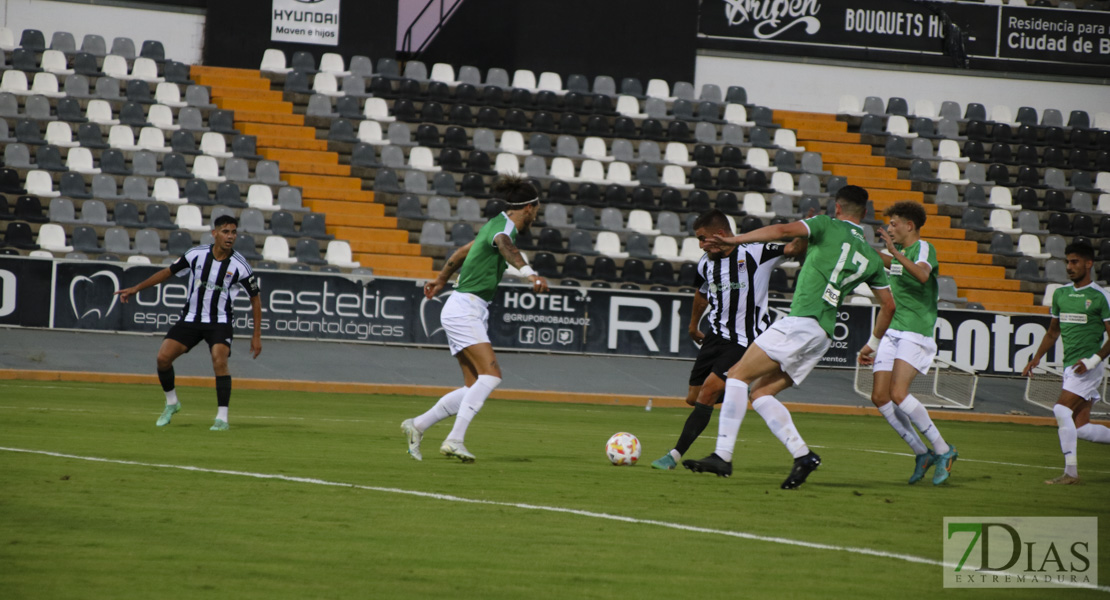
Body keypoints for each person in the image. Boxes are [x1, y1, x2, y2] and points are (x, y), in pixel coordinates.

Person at [683, 185, 895, 489]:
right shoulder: (870, 256)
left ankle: (722, 455)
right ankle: (802, 455)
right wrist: (871, 345)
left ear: (837, 208)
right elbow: (889, 305)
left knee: (737, 376)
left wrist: (735, 239)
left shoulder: (825, 225)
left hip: (800, 322)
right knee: (760, 394)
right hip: (823, 334)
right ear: (864, 213)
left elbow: (781, 230)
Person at [402, 175, 548, 463]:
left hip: (464, 307)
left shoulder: (494, 222)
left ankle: (417, 426)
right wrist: (529, 273)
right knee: (491, 376)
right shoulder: (503, 229)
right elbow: (506, 246)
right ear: (529, 208)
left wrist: (441, 279)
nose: (537, 214)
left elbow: (462, 252)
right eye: (537, 209)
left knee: (473, 386)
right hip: (465, 308)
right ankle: (454, 440)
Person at [650, 209, 805, 470]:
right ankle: (737, 390)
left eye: (703, 239)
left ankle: (673, 456)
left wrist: (804, 231)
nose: (700, 245)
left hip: (744, 340)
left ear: (721, 235)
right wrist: (692, 325)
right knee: (694, 397)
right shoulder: (705, 262)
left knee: (708, 392)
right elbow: (701, 294)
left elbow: (791, 249)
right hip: (715, 336)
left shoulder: (755, 253)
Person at [116, 215, 262, 430]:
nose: (230, 236)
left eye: (233, 232)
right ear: (215, 234)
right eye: (225, 231)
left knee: (219, 360)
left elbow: (255, 300)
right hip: (191, 318)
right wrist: (136, 288)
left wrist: (256, 335)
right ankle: (172, 403)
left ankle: (222, 418)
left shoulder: (241, 266)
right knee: (163, 358)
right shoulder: (196, 255)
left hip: (219, 321)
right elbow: (167, 273)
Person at [859, 201, 958, 485]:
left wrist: (892, 253)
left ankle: (944, 450)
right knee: (880, 397)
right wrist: (872, 343)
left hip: (916, 331)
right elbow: (875, 259)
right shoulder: (899, 253)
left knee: (899, 393)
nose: (889, 228)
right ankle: (921, 452)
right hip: (894, 331)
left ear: (909, 226)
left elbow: (923, 274)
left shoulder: (923, 248)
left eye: (894, 224)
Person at [1022, 241, 1110, 485]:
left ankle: (1070, 473)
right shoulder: (1061, 294)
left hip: (1087, 368)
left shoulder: (1101, 297)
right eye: (1067, 262)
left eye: (1075, 262)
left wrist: (1093, 361)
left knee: (1061, 410)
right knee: (1081, 428)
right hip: (1070, 367)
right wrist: (1036, 357)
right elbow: (1053, 332)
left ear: (1089, 263)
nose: (1069, 267)